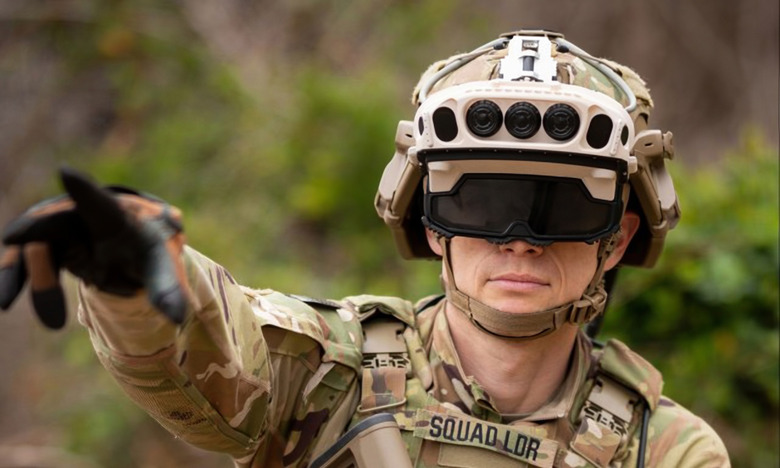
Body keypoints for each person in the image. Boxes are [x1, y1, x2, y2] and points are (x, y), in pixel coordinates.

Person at [0, 30, 730, 467]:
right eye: (480, 202)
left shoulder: (664, 450)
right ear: (432, 221)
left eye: (563, 208)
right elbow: (216, 347)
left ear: (619, 237)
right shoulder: (331, 376)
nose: (520, 243)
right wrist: (129, 279)